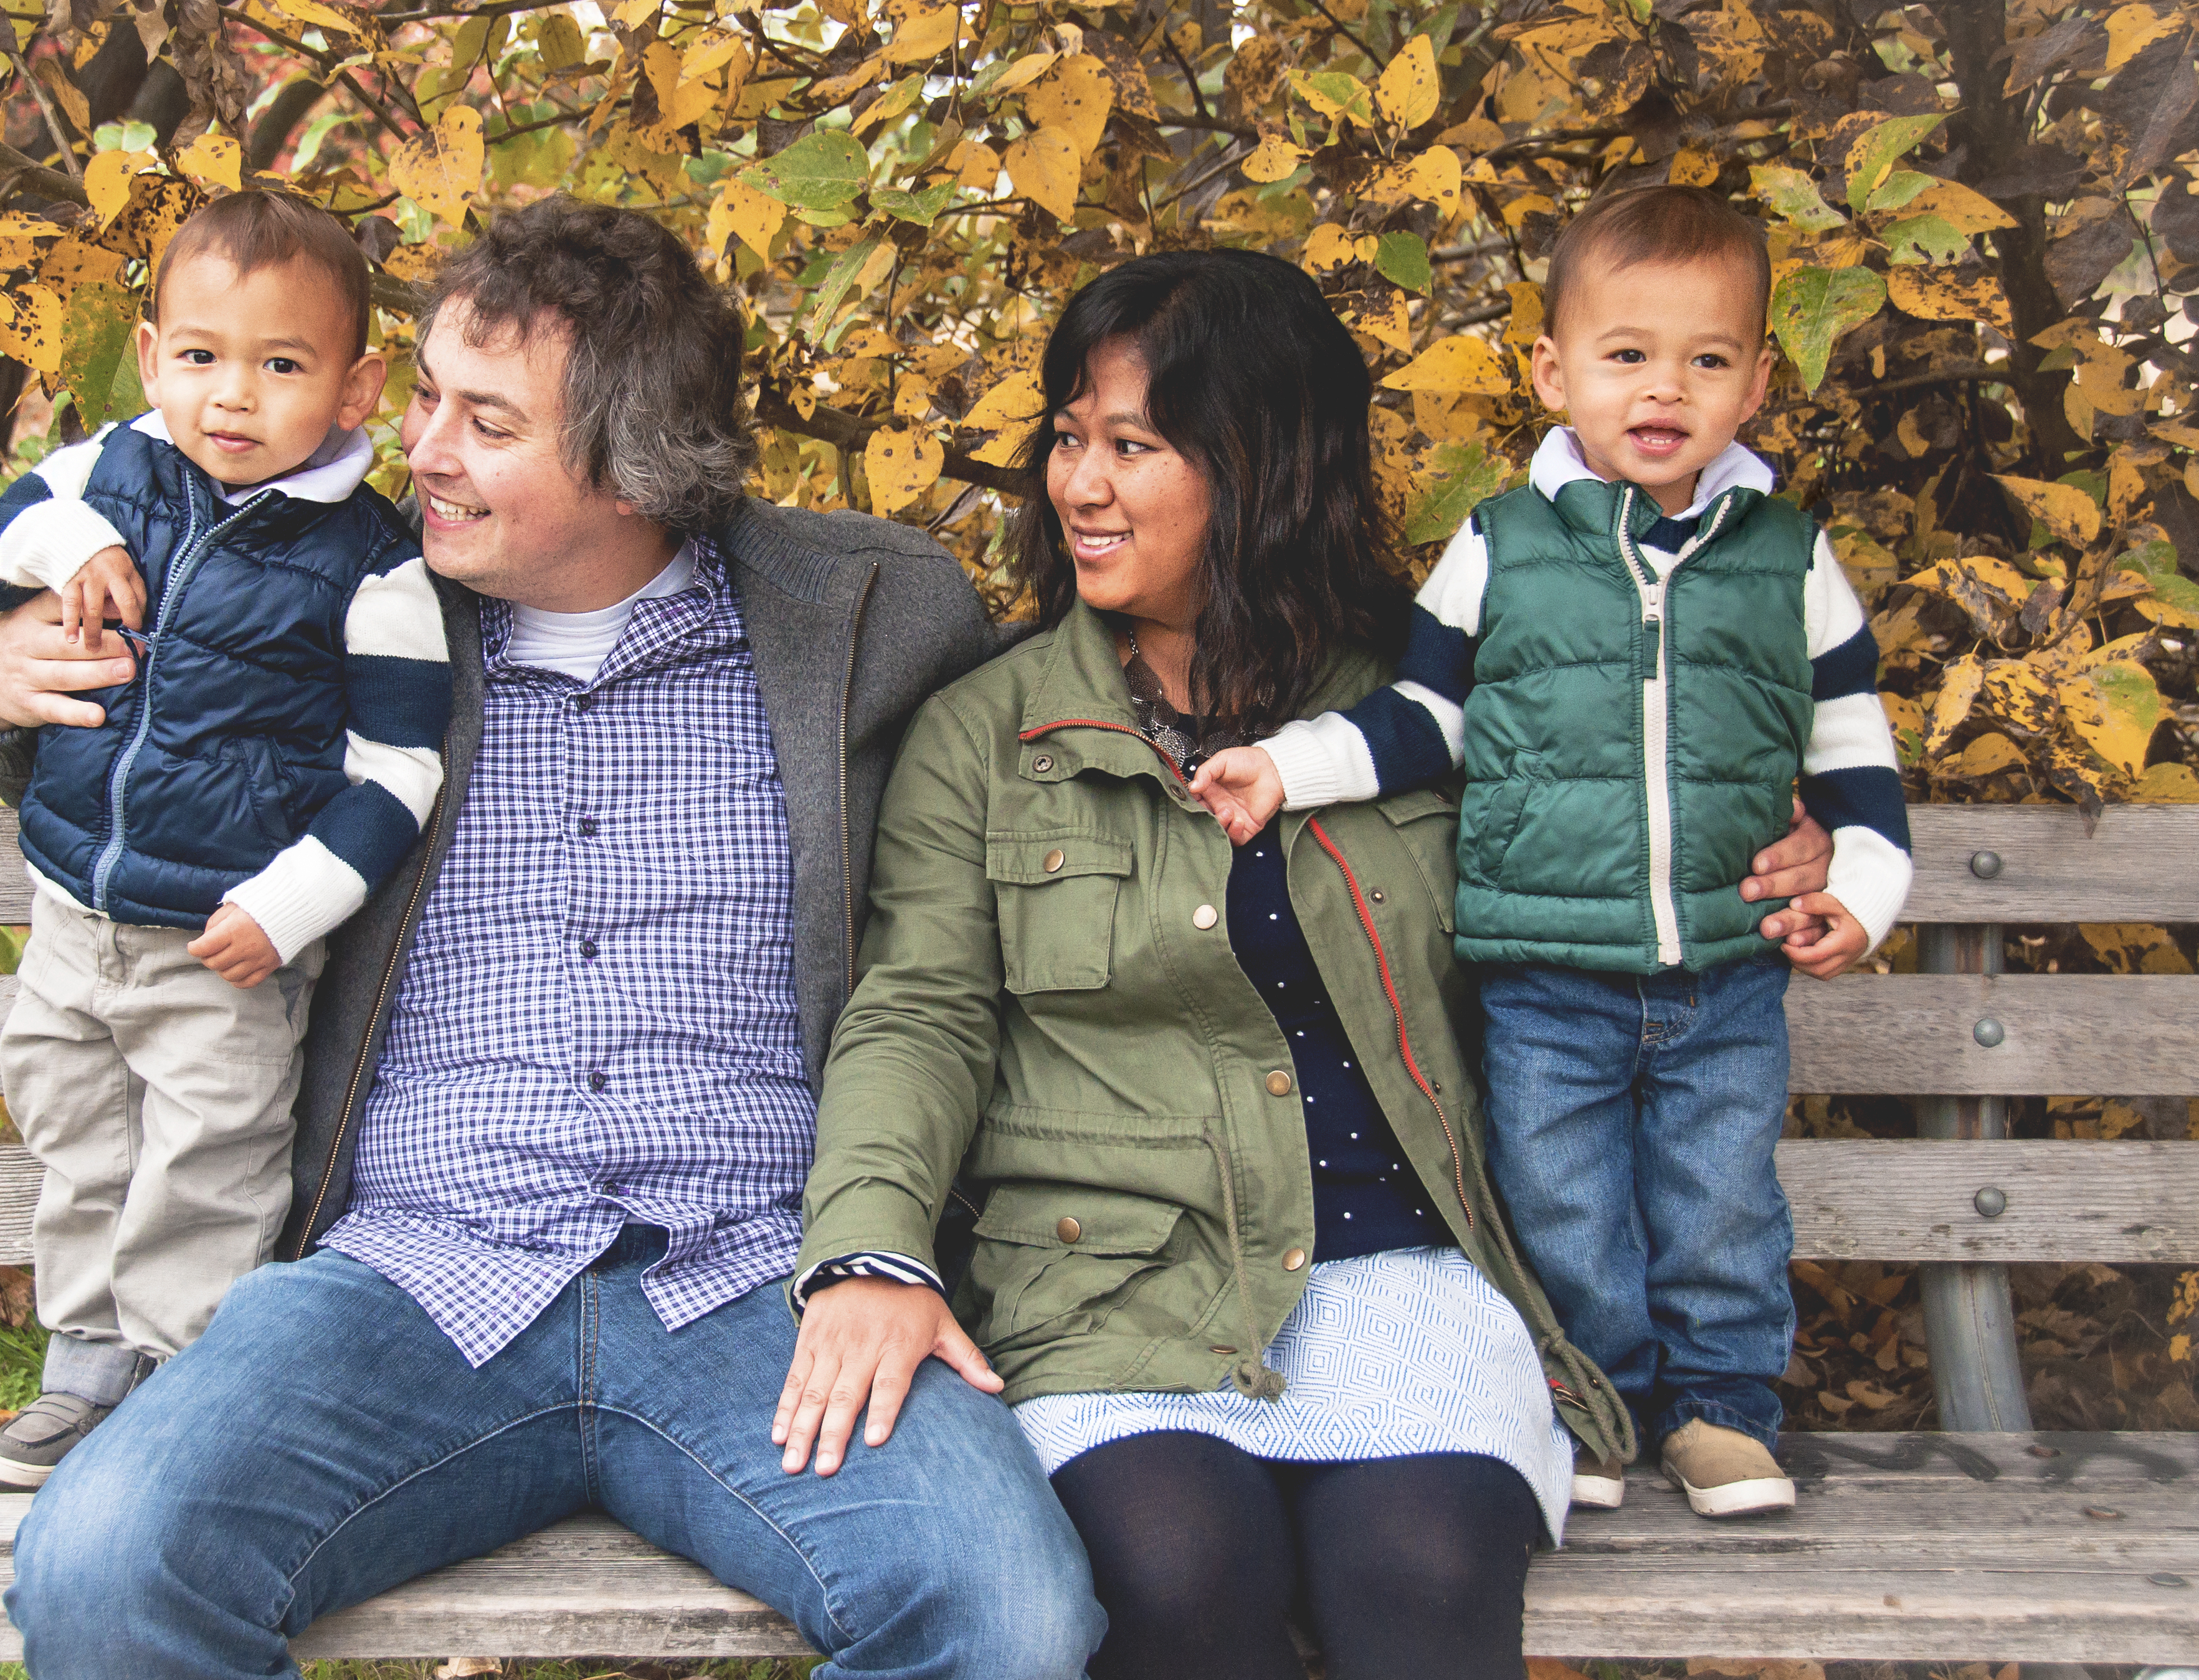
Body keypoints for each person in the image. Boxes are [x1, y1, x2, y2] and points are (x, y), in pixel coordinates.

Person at [0, 197, 1103, 1679]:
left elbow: (1071, 734)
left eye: (482, 420)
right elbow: (140, 780)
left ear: (632, 461)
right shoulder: (340, 603)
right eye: (423, 394)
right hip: (410, 1278)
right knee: (108, 1563)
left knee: (1004, 1612)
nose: (417, 447)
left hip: (753, 1281)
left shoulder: (862, 615)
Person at [778, 247, 1845, 1678]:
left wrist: (1780, 843)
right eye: (1068, 440)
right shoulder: (991, 733)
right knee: (1177, 1574)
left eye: (1132, 446)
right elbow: (918, 1011)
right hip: (1113, 1293)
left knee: (1421, 1571)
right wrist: (867, 1245)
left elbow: (1621, 827)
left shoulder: (1428, 711)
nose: (1078, 485)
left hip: (1406, 1275)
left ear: (1262, 465)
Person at [1189, 187, 1912, 1517]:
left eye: (1705, 359)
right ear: (1552, 369)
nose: (1662, 388)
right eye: (1624, 353)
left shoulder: (1786, 559)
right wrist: (1288, 765)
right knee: (1561, 1204)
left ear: (1755, 380)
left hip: (1720, 970)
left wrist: (1859, 893)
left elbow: (1856, 754)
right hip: (1541, 973)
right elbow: (1422, 717)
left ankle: (1717, 1414)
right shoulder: (1500, 546)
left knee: (1716, 1207)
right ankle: (1591, 1404)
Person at [0, 192, 448, 1486]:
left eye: (282, 365)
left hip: (224, 941)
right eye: (202, 356)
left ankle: (183, 1385)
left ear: (354, 385)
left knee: (208, 1158)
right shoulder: (102, 476)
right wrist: (69, 535)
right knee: (75, 1125)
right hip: (74, 914)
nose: (232, 395)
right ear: (150, 352)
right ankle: (84, 1367)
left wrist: (291, 905)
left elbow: (397, 773)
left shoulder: (371, 566)